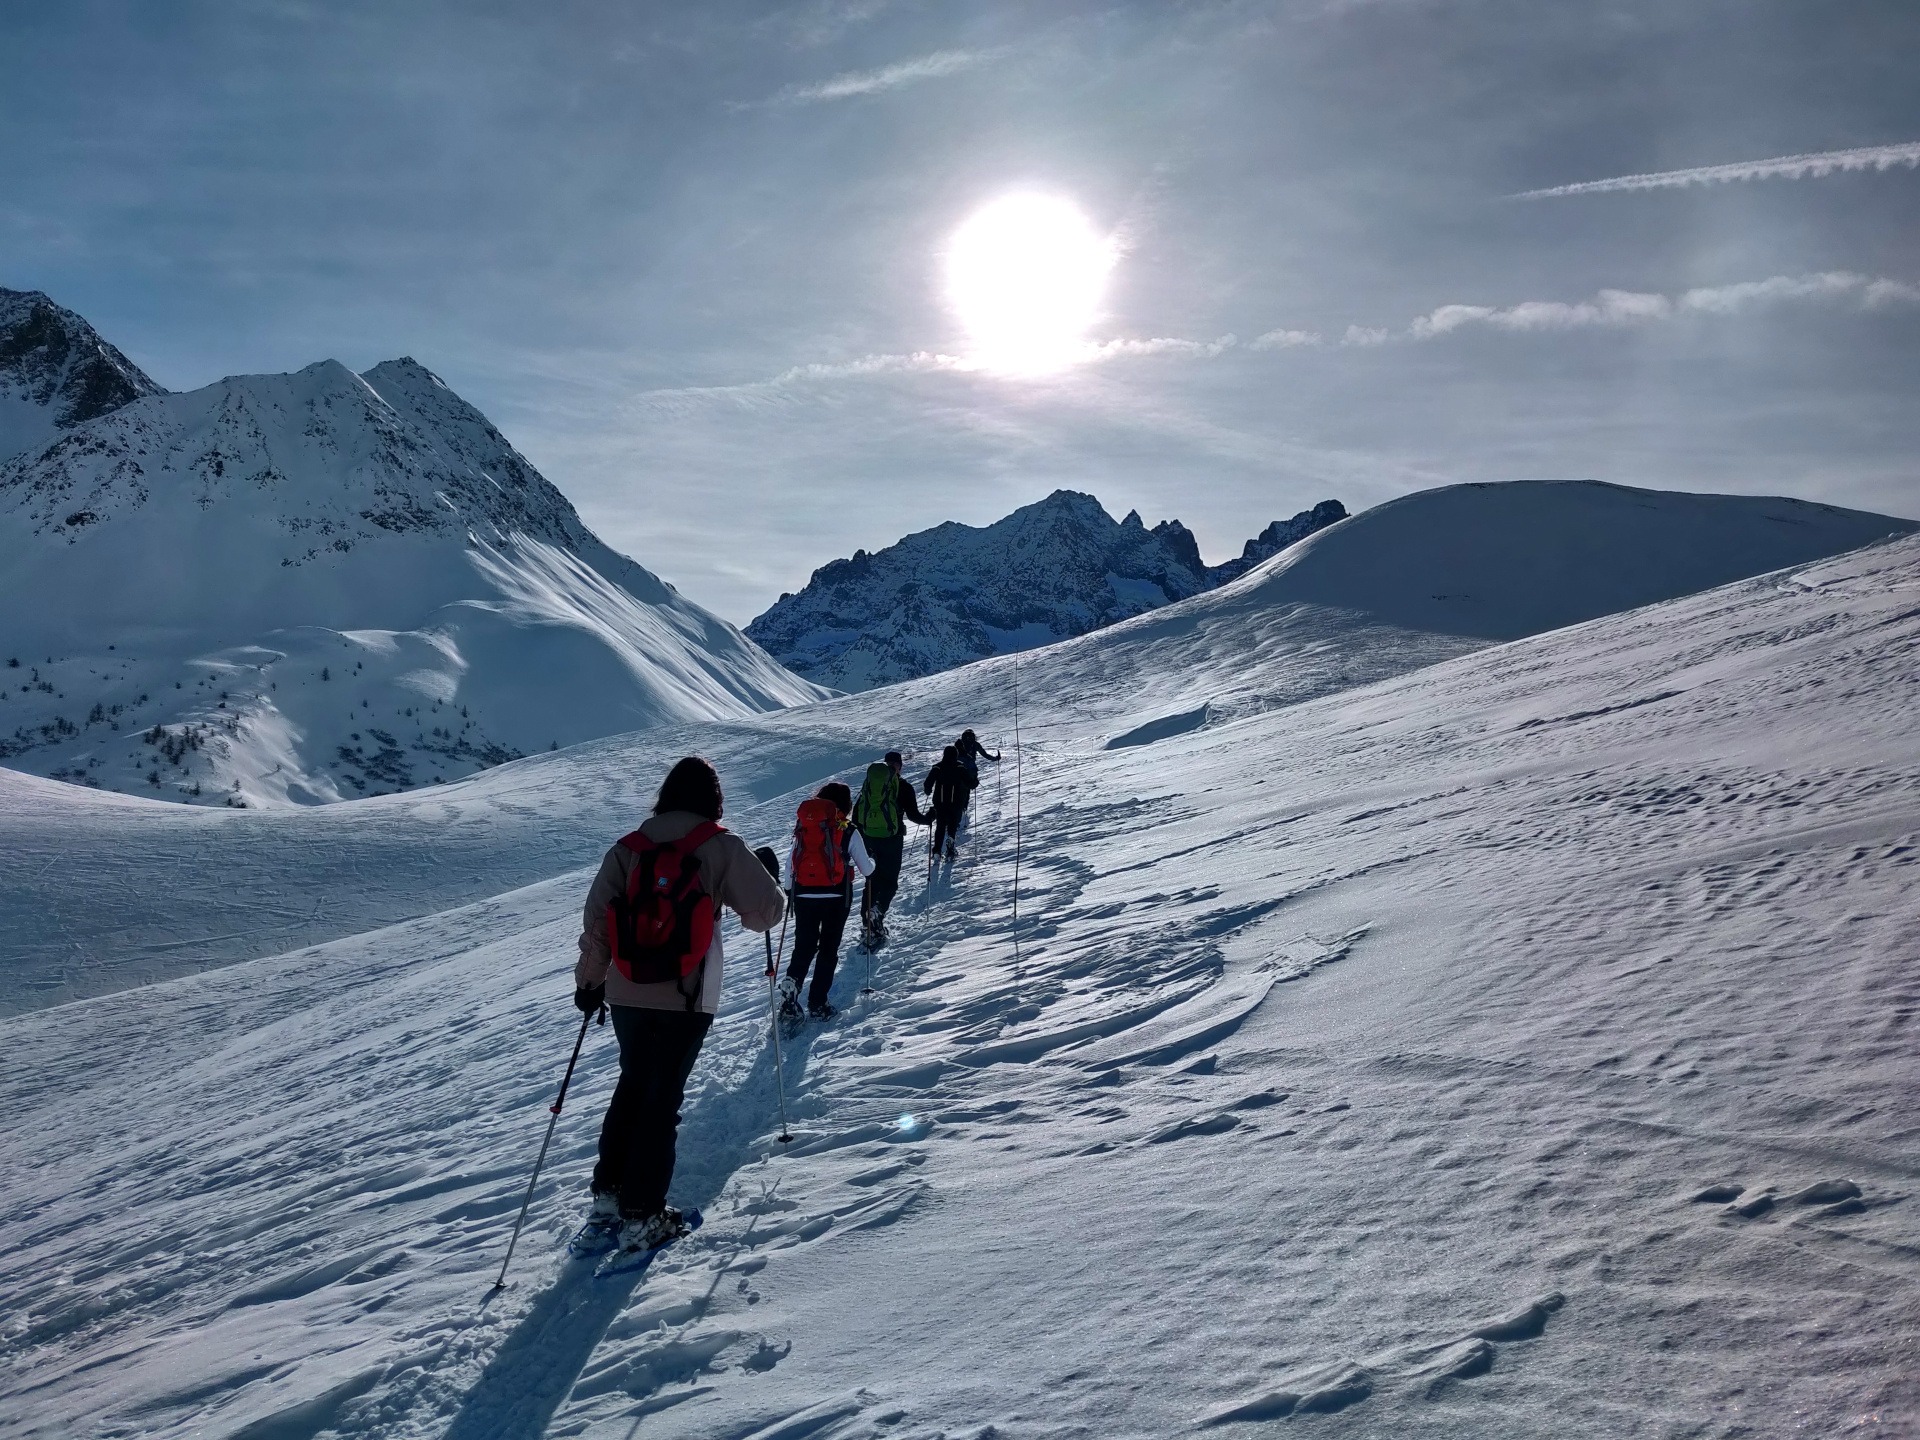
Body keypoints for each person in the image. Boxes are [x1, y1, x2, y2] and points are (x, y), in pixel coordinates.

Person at [572, 755, 784, 1259]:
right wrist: (767, 875)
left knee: (632, 1084)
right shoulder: (719, 845)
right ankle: (643, 1215)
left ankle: (609, 1196)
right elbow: (766, 915)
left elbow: (599, 924)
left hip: (626, 990)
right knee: (662, 1098)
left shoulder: (628, 849)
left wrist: (589, 984)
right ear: (712, 799)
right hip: (687, 996)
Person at [781, 781, 875, 1020]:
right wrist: (872, 862)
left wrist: (791, 889)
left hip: (803, 894)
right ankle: (817, 1002)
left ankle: (792, 984)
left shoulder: (804, 827)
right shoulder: (848, 829)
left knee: (804, 944)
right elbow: (867, 870)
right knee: (828, 948)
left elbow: (791, 863)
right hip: (836, 896)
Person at [851, 749, 930, 946]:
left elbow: (856, 816)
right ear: (900, 766)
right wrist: (931, 817)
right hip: (892, 840)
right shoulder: (903, 786)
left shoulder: (869, 785)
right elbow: (913, 816)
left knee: (872, 881)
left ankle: (866, 926)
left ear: (886, 763)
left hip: (868, 839)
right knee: (890, 881)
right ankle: (878, 911)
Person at [923, 744, 978, 862]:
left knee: (940, 826)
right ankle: (950, 848)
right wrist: (975, 781)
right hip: (956, 802)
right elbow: (970, 783)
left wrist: (928, 790)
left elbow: (928, 782)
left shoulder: (938, 767)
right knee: (952, 826)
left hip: (940, 802)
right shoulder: (960, 767)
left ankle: (937, 850)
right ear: (956, 755)